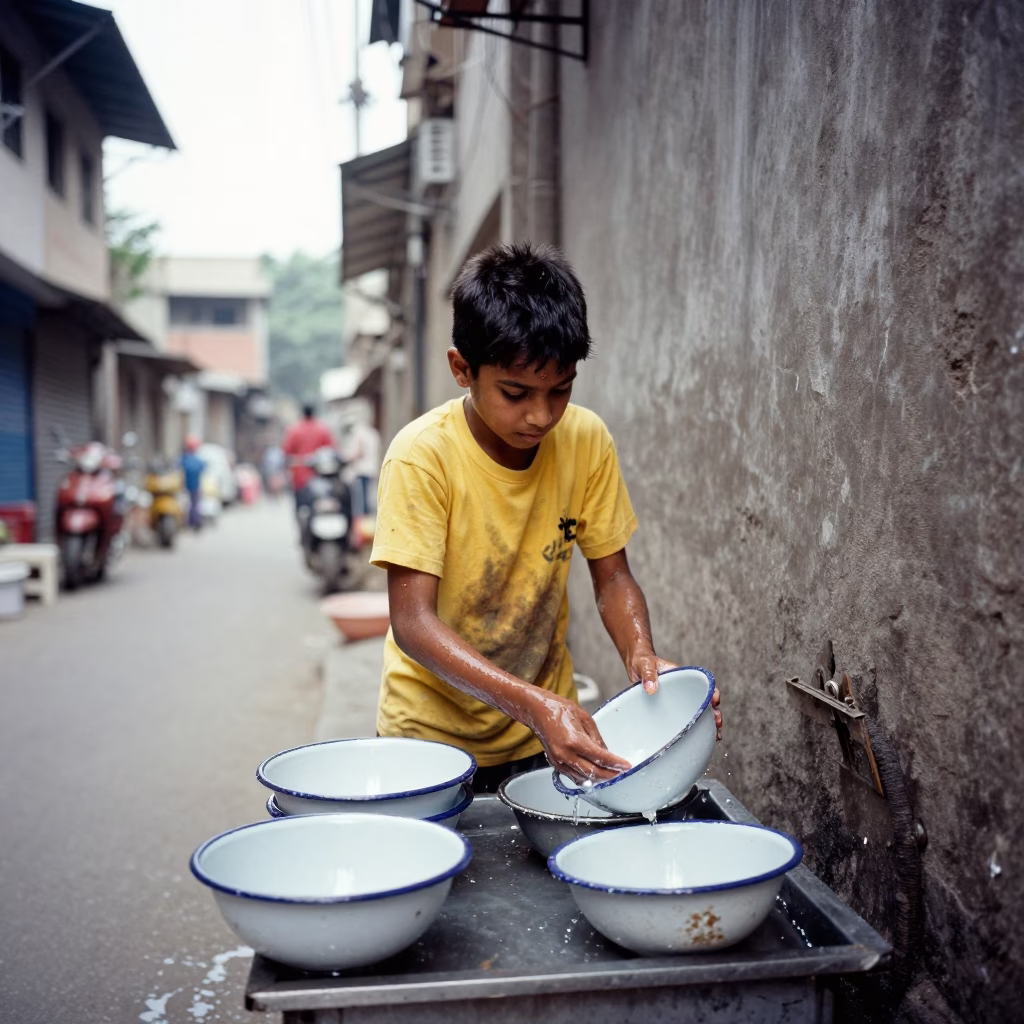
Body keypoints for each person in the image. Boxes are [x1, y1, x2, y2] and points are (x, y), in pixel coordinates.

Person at [370, 242, 722, 794]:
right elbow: (413, 623)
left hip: (541, 737)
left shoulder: (585, 440)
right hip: (427, 741)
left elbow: (614, 579)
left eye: (560, 390)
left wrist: (642, 655)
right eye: (516, 393)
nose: (541, 415)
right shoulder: (422, 457)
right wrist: (533, 704)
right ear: (462, 369)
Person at [281, 403, 335, 508]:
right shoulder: (322, 429)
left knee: (301, 505)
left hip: (299, 475)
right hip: (320, 473)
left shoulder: (294, 430)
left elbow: (286, 450)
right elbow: (332, 449)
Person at [180, 436, 205, 531]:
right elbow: (203, 467)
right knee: (194, 505)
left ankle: (190, 522)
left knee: (188, 505)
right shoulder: (195, 459)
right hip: (194, 486)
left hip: (185, 486)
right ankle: (194, 522)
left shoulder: (184, 458)